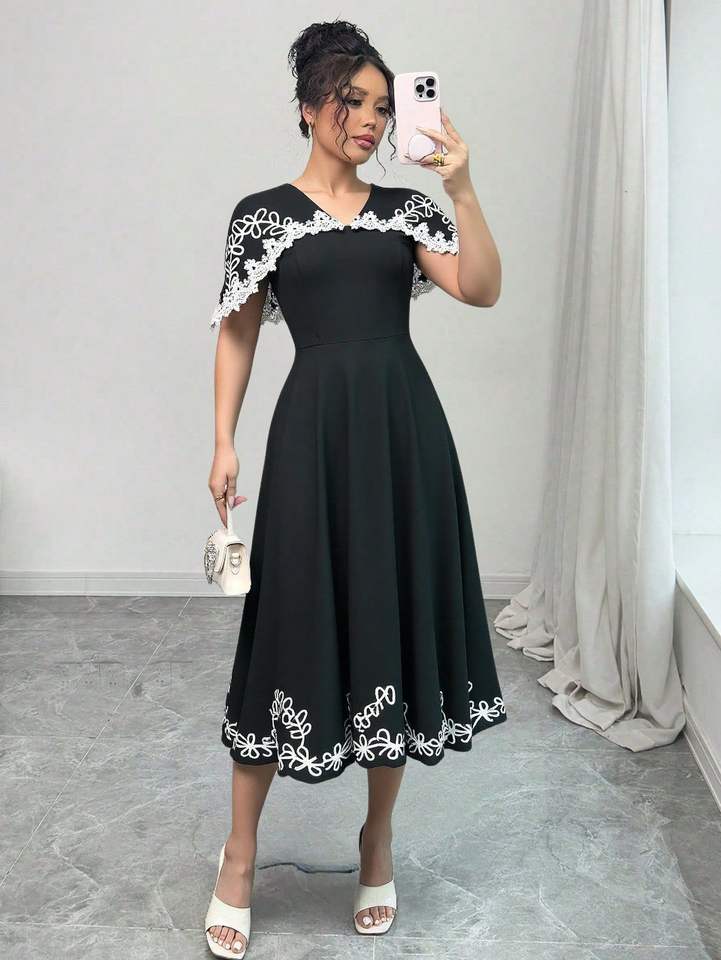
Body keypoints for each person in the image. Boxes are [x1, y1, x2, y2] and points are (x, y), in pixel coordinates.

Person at [203, 19, 507, 958]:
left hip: (402, 435)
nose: (370, 121)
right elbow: (239, 328)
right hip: (311, 437)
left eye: (380, 106)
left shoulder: (407, 211)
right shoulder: (262, 215)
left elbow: (481, 288)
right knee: (287, 628)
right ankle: (239, 856)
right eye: (351, 103)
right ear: (308, 107)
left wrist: (459, 185)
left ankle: (377, 841)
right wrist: (223, 442)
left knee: (387, 620)